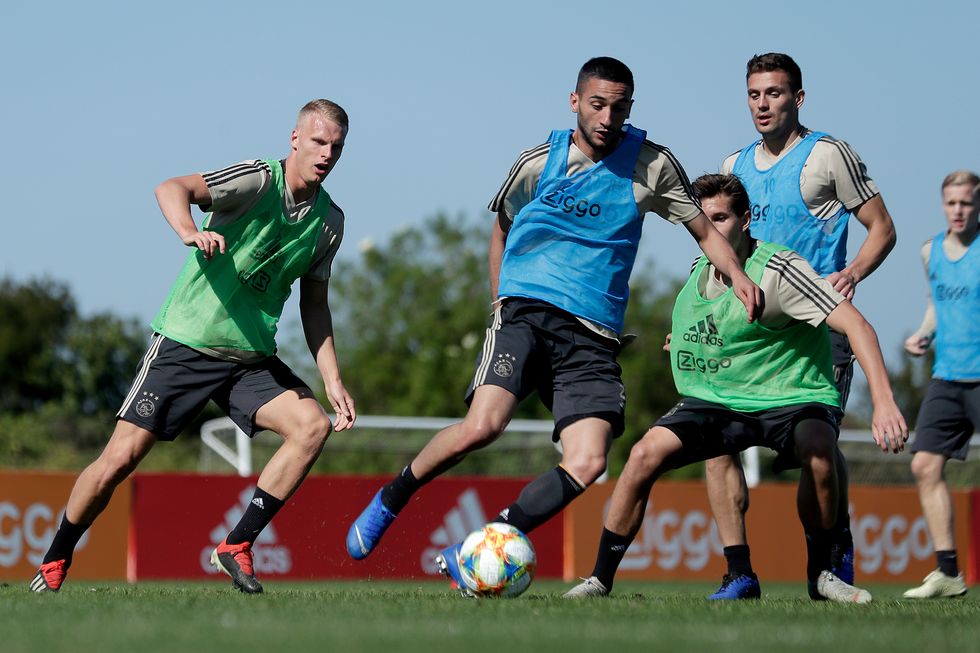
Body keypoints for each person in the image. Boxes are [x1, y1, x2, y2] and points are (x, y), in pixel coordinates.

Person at [344, 57, 762, 593]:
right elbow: (500, 229)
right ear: (574, 102)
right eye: (597, 104)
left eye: (619, 106)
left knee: (588, 462)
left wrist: (738, 276)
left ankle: (485, 543)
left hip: (593, 337)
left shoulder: (653, 166)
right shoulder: (540, 162)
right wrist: (499, 302)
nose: (608, 116)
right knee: (483, 426)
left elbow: (704, 231)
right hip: (526, 314)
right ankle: (392, 498)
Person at [29, 100, 356, 595]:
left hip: (248, 359)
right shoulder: (256, 180)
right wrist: (189, 231)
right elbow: (171, 187)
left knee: (312, 427)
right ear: (294, 139)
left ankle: (237, 545)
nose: (326, 153)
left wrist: (332, 379)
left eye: (336, 146)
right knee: (119, 460)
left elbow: (315, 306)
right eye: (317, 141)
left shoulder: (329, 222)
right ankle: (57, 555)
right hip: (186, 341)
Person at [564, 173, 907, 603]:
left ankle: (822, 572)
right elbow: (711, 327)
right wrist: (682, 341)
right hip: (723, 399)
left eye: (722, 218)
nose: (711, 228)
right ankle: (605, 578)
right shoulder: (699, 271)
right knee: (643, 455)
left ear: (745, 220)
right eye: (702, 220)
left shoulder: (780, 269)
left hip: (790, 395)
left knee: (820, 450)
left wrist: (884, 403)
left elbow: (856, 325)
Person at [704, 52, 898, 599]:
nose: (763, 104)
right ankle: (738, 571)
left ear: (799, 98)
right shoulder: (733, 162)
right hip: (748, 335)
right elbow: (717, 249)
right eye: (754, 94)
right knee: (715, 443)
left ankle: (827, 564)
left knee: (817, 449)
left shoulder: (827, 156)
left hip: (817, 331)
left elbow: (882, 227)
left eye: (775, 93)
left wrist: (852, 272)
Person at [902, 170, 979, 599]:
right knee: (924, 466)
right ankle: (948, 573)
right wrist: (924, 333)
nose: (958, 211)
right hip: (947, 377)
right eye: (952, 203)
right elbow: (936, 304)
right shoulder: (930, 251)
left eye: (966, 203)